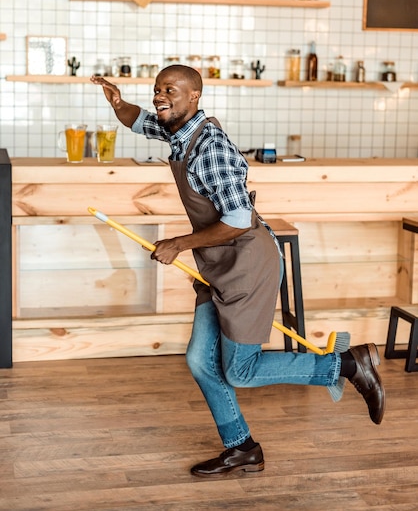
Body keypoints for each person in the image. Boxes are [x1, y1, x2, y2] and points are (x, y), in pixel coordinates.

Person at [91, 66, 385, 478]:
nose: (160, 96)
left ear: (194, 96)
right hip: (219, 264)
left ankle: (348, 366)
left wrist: (178, 243)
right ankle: (242, 448)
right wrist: (119, 103)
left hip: (248, 265)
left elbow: (239, 219)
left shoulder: (209, 146)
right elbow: (141, 122)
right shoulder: (179, 131)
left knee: (241, 371)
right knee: (199, 360)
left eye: (169, 90)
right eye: (157, 89)